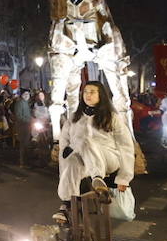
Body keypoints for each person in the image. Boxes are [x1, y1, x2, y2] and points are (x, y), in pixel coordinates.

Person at [56, 81, 134, 210]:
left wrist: (124, 178)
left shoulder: (112, 117)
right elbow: (64, 147)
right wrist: (63, 172)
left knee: (85, 141)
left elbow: (125, 146)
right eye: (85, 92)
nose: (88, 95)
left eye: (92, 92)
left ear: (100, 95)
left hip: (108, 159)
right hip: (83, 161)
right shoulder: (74, 118)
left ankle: (98, 179)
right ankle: (67, 204)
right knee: (71, 160)